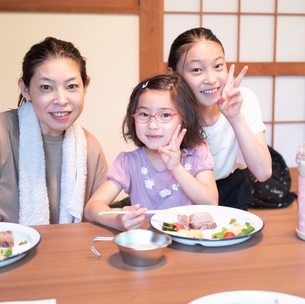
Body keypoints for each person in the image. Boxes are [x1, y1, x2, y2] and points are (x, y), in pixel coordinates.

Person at [0, 37, 108, 225]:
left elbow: (96, 226)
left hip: (64, 245)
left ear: (85, 86)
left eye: (71, 86)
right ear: (25, 88)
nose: (61, 100)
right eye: (46, 87)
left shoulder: (89, 147)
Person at [84, 74, 218, 231]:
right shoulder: (128, 162)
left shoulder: (196, 153)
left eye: (165, 115)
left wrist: (176, 168)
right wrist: (117, 220)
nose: (152, 125)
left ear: (184, 118)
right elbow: (91, 208)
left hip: (190, 241)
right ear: (133, 117)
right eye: (144, 114)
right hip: (147, 241)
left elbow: (211, 203)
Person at [167, 27, 272, 210]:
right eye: (197, 69)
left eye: (218, 66)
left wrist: (236, 118)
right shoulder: (166, 111)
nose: (211, 79)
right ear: (173, 75)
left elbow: (263, 172)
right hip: (182, 193)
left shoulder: (243, 100)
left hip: (231, 192)